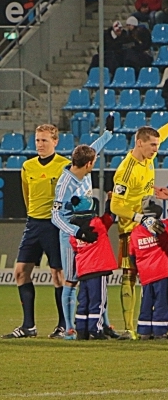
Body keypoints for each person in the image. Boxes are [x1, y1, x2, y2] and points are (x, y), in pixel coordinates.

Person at [108, 103, 168, 339]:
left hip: (148, 224)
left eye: (157, 145)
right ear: (139, 143)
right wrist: (139, 218)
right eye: (152, 145)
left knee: (154, 276)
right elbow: (115, 205)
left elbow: (161, 135)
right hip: (131, 228)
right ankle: (129, 329)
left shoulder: (148, 156)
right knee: (130, 275)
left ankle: (151, 327)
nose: (156, 149)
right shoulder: (126, 170)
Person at [4, 125, 69, 338]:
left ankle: (63, 325)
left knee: (58, 275)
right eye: (38, 141)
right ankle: (28, 326)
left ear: (55, 142)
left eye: (44, 141)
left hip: (54, 225)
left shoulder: (64, 166)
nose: (40, 145)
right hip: (33, 225)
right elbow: (27, 195)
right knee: (20, 272)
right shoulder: (27, 166)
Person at [49, 129, 114, 340]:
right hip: (71, 238)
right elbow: (55, 217)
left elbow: (95, 148)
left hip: (90, 233)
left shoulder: (83, 168)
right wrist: (77, 232)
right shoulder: (64, 184)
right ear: (88, 164)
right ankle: (69, 328)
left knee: (96, 276)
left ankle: (103, 324)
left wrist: (108, 133)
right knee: (71, 279)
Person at [129, 197, 168, 341]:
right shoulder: (164, 226)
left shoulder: (135, 232)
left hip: (146, 274)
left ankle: (144, 332)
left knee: (146, 302)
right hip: (162, 272)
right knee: (161, 302)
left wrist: (138, 270)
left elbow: (131, 255)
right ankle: (160, 332)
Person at [67, 193, 117, 341]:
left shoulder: (73, 232)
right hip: (98, 269)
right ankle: (96, 330)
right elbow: (110, 217)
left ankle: (81, 331)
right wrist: (110, 201)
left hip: (83, 270)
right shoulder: (98, 224)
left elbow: (75, 248)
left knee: (83, 301)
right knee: (98, 302)